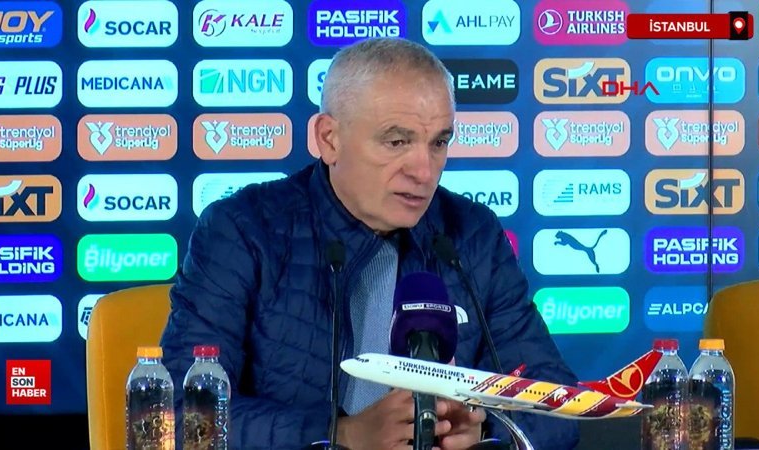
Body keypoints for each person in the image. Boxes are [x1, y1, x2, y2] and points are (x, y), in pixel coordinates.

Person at [160, 37, 579, 450]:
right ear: (329, 139)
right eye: (397, 142)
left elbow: (558, 402)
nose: (424, 171)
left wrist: (485, 429)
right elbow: (182, 412)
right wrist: (342, 435)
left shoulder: (471, 235)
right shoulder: (243, 230)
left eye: (439, 142)